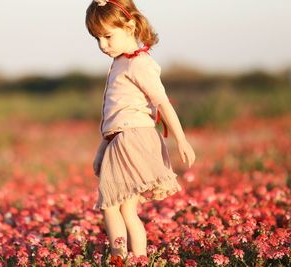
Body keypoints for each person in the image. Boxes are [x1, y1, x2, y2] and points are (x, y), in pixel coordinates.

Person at [85, 0, 196, 263]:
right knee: (126, 209)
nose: (103, 45)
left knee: (111, 206)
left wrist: (181, 139)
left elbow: (163, 103)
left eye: (108, 36)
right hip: (120, 139)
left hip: (133, 138)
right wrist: (102, 151)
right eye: (97, 38)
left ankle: (119, 258)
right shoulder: (120, 63)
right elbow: (114, 120)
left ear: (130, 25)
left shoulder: (139, 63)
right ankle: (140, 258)